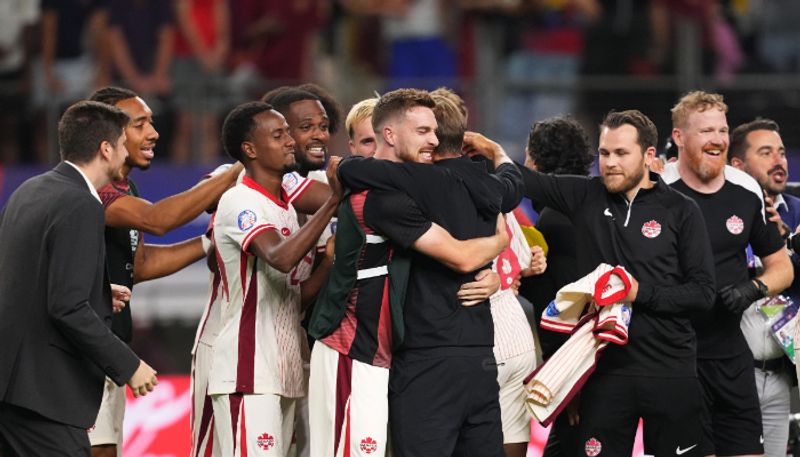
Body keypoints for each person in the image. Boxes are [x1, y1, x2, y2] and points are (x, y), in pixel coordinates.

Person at [465, 109, 717, 457]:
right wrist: (492, 152)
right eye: (604, 153)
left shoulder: (681, 211)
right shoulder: (585, 196)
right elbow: (524, 179)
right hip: (604, 376)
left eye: (621, 153)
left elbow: (703, 293)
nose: (610, 163)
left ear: (648, 155)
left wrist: (639, 292)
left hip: (670, 373)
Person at [307, 90, 509, 457]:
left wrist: (493, 276)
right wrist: (500, 241)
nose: (434, 140)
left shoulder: (405, 186)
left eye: (434, 131)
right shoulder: (381, 198)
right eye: (423, 131)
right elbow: (461, 256)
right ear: (391, 135)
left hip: (388, 353)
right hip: (354, 347)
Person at [87, 86, 244, 457]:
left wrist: (210, 240)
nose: (153, 133)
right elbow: (158, 220)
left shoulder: (126, 185)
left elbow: (139, 264)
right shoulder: (95, 189)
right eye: (140, 124)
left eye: (151, 123)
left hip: (109, 347)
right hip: (83, 350)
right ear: (109, 135)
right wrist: (236, 170)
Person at [0, 101, 158, 456]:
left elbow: (21, 277)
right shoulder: (82, 204)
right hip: (43, 396)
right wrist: (129, 365)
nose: (124, 153)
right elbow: (67, 307)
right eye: (121, 143)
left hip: (11, 387)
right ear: (105, 149)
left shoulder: (29, 190)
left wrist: (100, 292)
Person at [660, 91, 793, 457]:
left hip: (731, 356)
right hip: (675, 357)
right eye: (705, 131)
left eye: (722, 129)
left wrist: (754, 288)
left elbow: (782, 266)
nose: (717, 138)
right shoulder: (656, 187)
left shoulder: (746, 189)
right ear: (679, 137)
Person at [208, 101, 341, 456]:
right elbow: (280, 258)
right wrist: (332, 202)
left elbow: (294, 297)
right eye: (278, 135)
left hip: (283, 368)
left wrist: (328, 261)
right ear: (250, 150)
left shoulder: (285, 207)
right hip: (247, 368)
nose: (289, 142)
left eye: (287, 134)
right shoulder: (240, 200)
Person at [517, 115, 595, 457]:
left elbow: (562, 305)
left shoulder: (555, 219)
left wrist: (566, 379)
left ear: (534, 163)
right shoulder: (594, 203)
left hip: (580, 370)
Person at [729, 118, 799, 457]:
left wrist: (787, 243)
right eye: (766, 152)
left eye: (782, 152)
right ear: (737, 165)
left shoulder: (798, 214)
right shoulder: (721, 214)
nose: (779, 161)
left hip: (783, 372)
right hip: (730, 371)